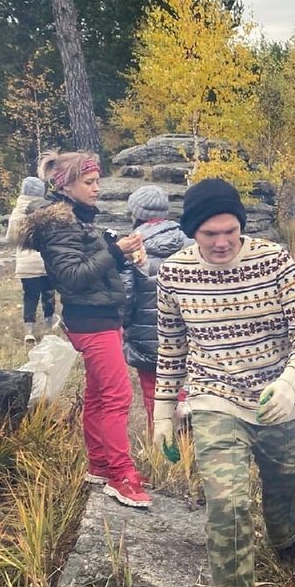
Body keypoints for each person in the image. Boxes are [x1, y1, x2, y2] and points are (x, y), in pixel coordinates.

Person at [153, 177, 295, 587]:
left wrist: (290, 382)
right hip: (213, 397)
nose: (221, 242)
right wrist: (163, 413)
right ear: (192, 233)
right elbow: (171, 348)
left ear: (241, 228)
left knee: (283, 480)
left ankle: (286, 538)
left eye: (229, 231)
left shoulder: (273, 260)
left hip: (277, 396)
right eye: (209, 234)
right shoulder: (173, 275)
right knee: (227, 505)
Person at [20, 151, 150, 508]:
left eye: (97, 181)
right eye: (89, 182)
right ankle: (121, 475)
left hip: (100, 315)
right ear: (66, 185)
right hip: (90, 319)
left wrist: (115, 249)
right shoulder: (57, 224)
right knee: (117, 396)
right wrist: (117, 252)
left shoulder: (76, 219)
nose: (97, 188)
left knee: (97, 393)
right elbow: (72, 276)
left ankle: (100, 464)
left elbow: (84, 263)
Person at [119, 185, 189, 439]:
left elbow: (126, 294)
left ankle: (163, 441)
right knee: (183, 382)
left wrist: (123, 325)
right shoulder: (187, 240)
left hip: (145, 331)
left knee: (153, 390)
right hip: (185, 330)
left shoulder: (131, 246)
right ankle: (187, 432)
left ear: (135, 213)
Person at [6, 174, 57, 346]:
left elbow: (10, 239)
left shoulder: (16, 213)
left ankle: (29, 331)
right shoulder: (45, 210)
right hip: (45, 262)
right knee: (48, 294)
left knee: (30, 296)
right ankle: (49, 326)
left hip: (26, 266)